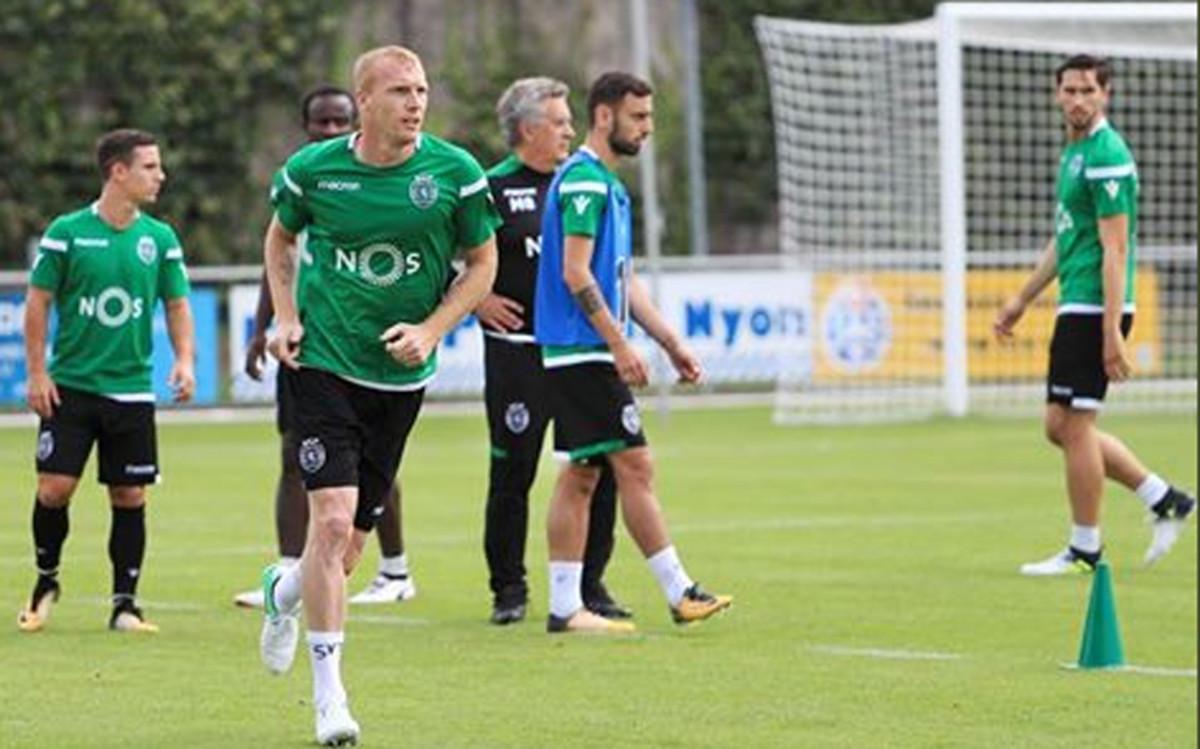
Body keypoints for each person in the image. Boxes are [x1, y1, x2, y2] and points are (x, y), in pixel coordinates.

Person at [258, 46, 499, 746]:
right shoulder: (312, 171)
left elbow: (484, 263)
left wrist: (431, 329)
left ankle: (283, 593)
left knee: (345, 549)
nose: (416, 102)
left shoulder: (454, 173)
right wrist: (286, 315)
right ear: (364, 101)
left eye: (422, 89)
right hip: (324, 366)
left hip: (400, 383)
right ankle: (330, 700)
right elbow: (280, 240)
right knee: (329, 525)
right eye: (399, 91)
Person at [534, 72, 732, 634]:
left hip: (583, 349)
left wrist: (669, 342)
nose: (647, 129)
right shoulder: (585, 184)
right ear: (604, 116)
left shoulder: (607, 186)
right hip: (582, 351)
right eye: (638, 117)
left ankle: (565, 607)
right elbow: (575, 272)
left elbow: (620, 280)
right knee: (636, 464)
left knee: (581, 476)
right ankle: (679, 591)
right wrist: (618, 344)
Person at [994, 54, 1194, 576]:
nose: (1078, 99)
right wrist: (1022, 297)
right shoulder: (1075, 152)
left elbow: (1115, 249)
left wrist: (1112, 331)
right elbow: (1068, 240)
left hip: (1093, 310)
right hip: (1076, 304)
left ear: (1106, 94)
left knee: (1077, 425)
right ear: (1057, 94)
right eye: (1069, 90)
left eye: (1088, 90)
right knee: (1058, 425)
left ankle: (1085, 548)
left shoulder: (1107, 154)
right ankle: (1164, 497)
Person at [233, 85, 416, 610]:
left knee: (374, 466)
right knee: (296, 457)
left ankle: (395, 569)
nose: (332, 130)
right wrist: (260, 330)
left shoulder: (381, 177)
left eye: (341, 121)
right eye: (322, 123)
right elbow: (279, 258)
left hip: (366, 343)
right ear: (307, 126)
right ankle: (290, 573)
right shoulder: (306, 178)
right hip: (308, 346)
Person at [18, 128, 196, 634]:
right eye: (150, 167)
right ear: (118, 172)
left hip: (132, 390)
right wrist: (37, 372)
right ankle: (45, 582)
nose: (160, 175)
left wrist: (185, 360)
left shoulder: (159, 239)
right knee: (54, 489)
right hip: (71, 386)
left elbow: (177, 304)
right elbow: (38, 302)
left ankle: (125, 605)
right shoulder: (67, 232)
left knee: (130, 495)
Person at [479, 77, 630, 626]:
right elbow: (450, 253)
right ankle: (509, 590)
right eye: (560, 122)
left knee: (596, 464)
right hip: (516, 354)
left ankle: (588, 586)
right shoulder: (490, 187)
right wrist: (478, 301)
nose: (570, 131)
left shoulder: (577, 182)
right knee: (512, 468)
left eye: (571, 121)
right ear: (526, 129)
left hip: (573, 353)